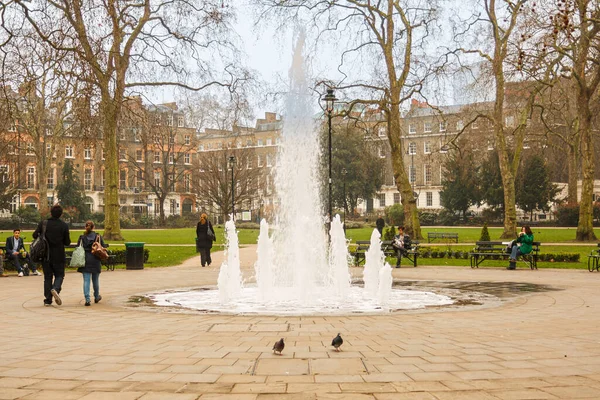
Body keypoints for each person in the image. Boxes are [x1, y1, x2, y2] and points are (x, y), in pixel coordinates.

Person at [33, 204, 71, 306]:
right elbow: (67, 242)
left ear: (51, 212)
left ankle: (48, 299)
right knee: (59, 275)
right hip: (59, 255)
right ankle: (55, 289)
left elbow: (34, 235)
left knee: (48, 277)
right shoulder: (64, 225)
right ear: (61, 214)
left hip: (46, 255)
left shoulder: (44, 223)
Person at [76, 221, 107, 306]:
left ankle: (87, 299)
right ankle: (96, 296)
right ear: (94, 227)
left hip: (85, 259)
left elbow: (78, 246)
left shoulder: (82, 237)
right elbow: (103, 246)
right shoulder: (98, 236)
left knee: (86, 280)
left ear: (85, 227)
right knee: (95, 279)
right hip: (96, 259)